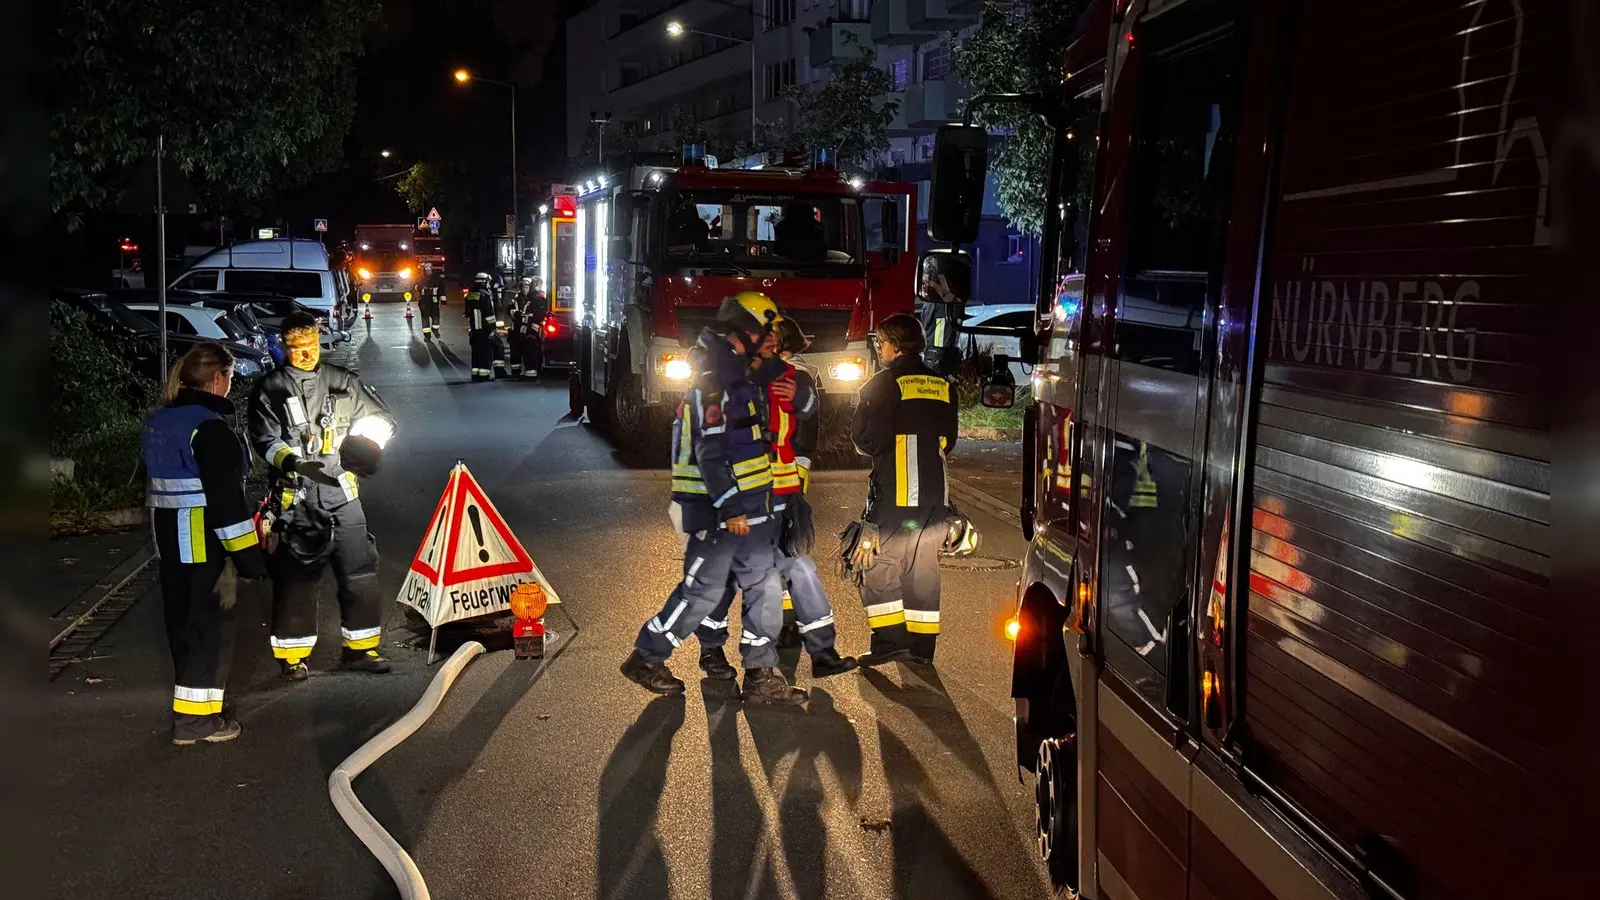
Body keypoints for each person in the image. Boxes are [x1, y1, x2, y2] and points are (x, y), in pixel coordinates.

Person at [623, 291, 805, 706]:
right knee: (703, 591)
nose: (773, 339)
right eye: (768, 332)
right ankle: (647, 656)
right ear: (749, 331)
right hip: (719, 509)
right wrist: (732, 507)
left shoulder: (737, 371)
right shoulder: (717, 378)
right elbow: (711, 451)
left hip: (749, 505)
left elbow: (791, 408)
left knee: (762, 586)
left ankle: (760, 675)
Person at [693, 315, 858, 679]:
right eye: (765, 340)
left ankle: (820, 651)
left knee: (800, 571)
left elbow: (807, 420)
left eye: (777, 341)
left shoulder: (792, 379)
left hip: (781, 500)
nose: (772, 346)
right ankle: (714, 651)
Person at [248, 313, 399, 680]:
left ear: (319, 341)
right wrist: (296, 464)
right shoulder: (270, 389)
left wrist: (368, 446)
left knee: (360, 570)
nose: (305, 355)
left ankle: (361, 649)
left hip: (343, 493)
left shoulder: (343, 382)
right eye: (297, 349)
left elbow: (383, 419)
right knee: (298, 578)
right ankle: (292, 656)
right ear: (284, 347)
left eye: (311, 347)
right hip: (296, 498)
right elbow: (265, 441)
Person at [141, 343, 267, 745]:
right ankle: (195, 723)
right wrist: (250, 559)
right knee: (208, 630)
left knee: (183, 626)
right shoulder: (211, 429)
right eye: (230, 377)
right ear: (218, 379)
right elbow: (227, 504)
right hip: (203, 543)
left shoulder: (159, 421)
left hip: (169, 542)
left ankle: (203, 712)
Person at [851, 313, 959, 666]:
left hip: (896, 492)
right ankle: (921, 648)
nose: (879, 348)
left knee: (877, 565)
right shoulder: (943, 384)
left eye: (880, 342)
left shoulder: (882, 384)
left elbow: (868, 440)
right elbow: (950, 441)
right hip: (935, 497)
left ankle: (889, 642)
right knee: (923, 569)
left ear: (893, 345)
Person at [509, 276, 548, 379]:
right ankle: (518, 371)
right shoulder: (518, 299)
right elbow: (511, 310)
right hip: (518, 329)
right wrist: (517, 315)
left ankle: (532, 371)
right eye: (523, 287)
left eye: (527, 287)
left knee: (531, 350)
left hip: (530, 330)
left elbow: (537, 315)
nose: (524, 289)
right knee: (519, 351)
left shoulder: (537, 299)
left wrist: (533, 329)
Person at [465, 271, 497, 381]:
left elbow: (467, 312)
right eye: (488, 282)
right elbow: (489, 313)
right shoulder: (485, 294)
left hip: (474, 329)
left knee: (476, 351)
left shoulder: (470, 294)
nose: (489, 284)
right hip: (484, 329)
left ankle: (475, 373)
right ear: (484, 282)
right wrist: (493, 327)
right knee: (485, 351)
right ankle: (484, 375)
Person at [418, 263, 446, 339]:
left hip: (434, 301)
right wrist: (419, 287)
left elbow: (442, 290)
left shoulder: (437, 278)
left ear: (431, 269)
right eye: (426, 270)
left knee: (436, 317)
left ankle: (435, 329)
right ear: (424, 270)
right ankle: (427, 335)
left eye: (429, 270)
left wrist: (443, 301)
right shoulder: (420, 277)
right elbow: (414, 286)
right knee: (425, 318)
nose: (428, 272)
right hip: (424, 301)